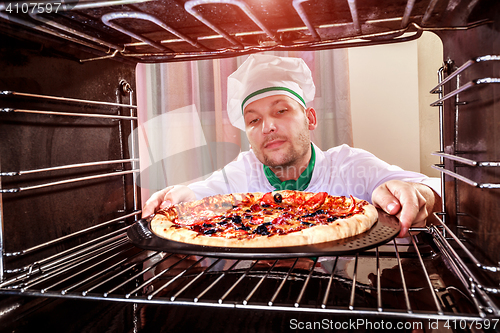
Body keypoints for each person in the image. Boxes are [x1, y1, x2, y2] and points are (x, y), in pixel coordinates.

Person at [142, 54, 440, 238]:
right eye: (253, 120)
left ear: (310, 118)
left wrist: (419, 193)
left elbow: (434, 188)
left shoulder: (352, 165)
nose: (267, 126)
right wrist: (180, 195)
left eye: (281, 111)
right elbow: (199, 195)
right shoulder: (240, 173)